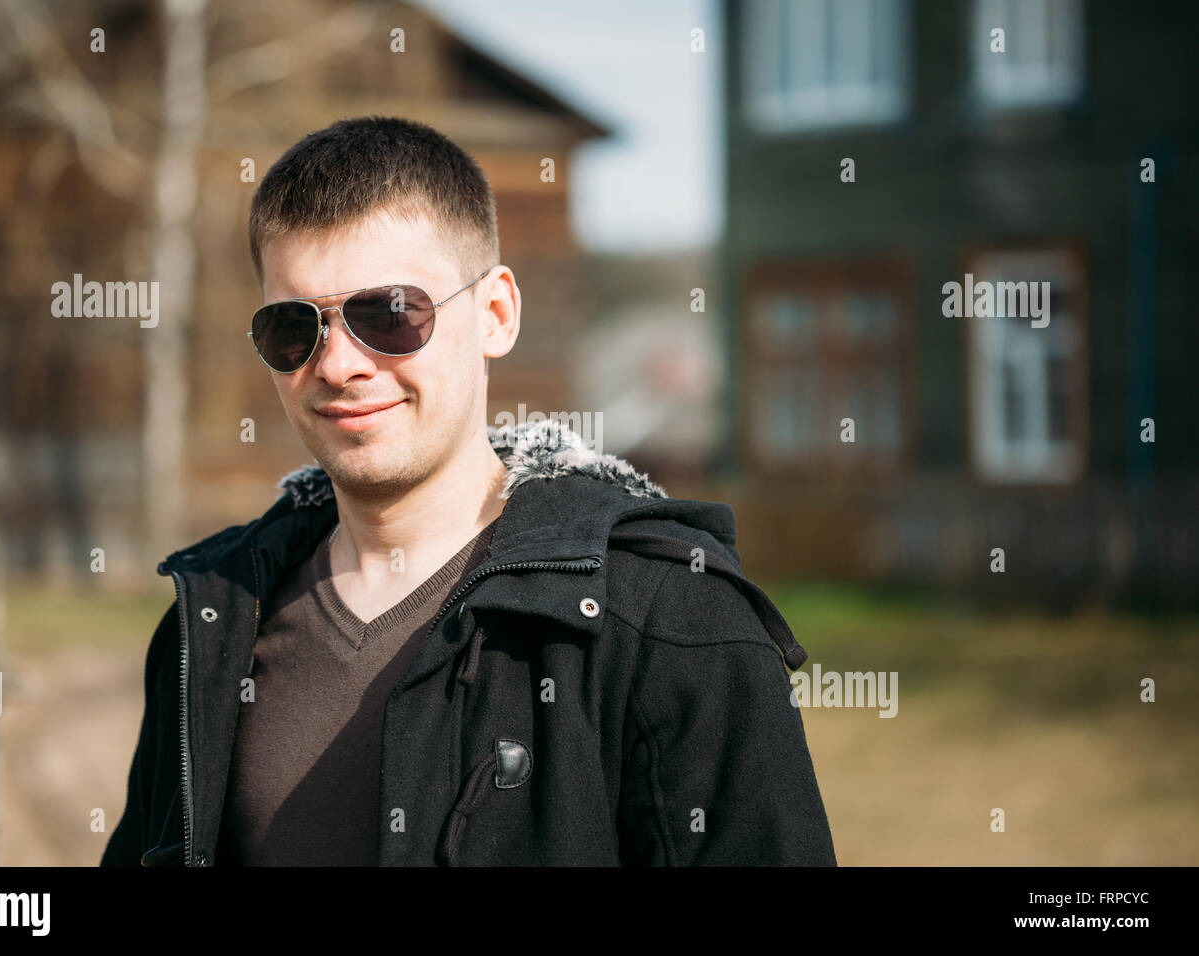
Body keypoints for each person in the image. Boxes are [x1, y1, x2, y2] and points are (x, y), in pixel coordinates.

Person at [100, 115, 836, 867]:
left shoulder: (671, 622)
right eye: (295, 328)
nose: (338, 365)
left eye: (387, 314)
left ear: (495, 315)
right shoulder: (214, 623)